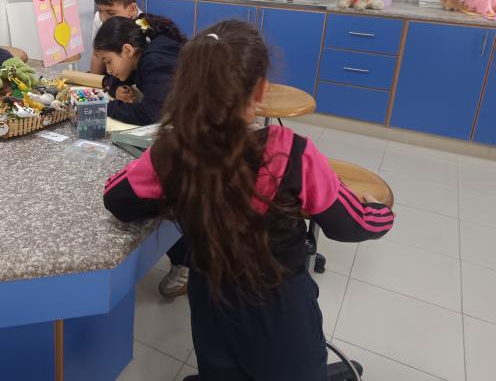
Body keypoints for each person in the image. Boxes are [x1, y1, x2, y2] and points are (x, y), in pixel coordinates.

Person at [103, 20, 395, 381]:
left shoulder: (171, 152)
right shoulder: (291, 153)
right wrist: (380, 212)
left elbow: (116, 197)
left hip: (211, 303)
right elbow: (352, 225)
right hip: (279, 311)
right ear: (260, 90)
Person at [93, 13, 185, 126]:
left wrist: (107, 107)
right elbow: (115, 78)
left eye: (108, 62)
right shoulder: (137, 55)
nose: (108, 70)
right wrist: (117, 88)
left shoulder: (154, 62)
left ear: (127, 50)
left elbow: (149, 114)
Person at [89, 0, 142, 76]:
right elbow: (97, 55)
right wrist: (92, 83)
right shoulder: (99, 19)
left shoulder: (143, 27)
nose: (104, 19)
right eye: (100, 11)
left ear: (131, 9)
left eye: (111, 13)